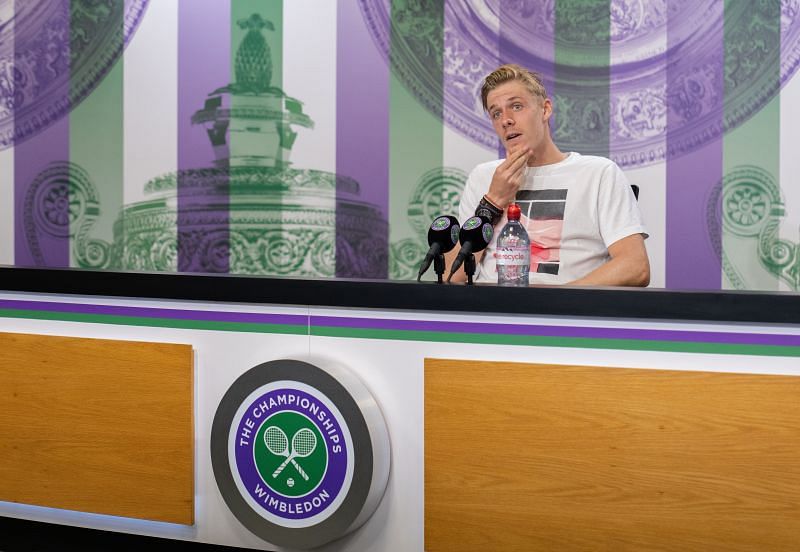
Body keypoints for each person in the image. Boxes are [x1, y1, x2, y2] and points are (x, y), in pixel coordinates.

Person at [446, 64, 650, 286]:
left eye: (516, 106)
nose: (506, 120)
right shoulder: (483, 177)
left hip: (564, 315)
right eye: (496, 113)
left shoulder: (598, 173)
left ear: (545, 110)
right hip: (493, 312)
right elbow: (452, 276)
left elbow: (635, 267)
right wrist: (492, 202)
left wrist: (556, 301)